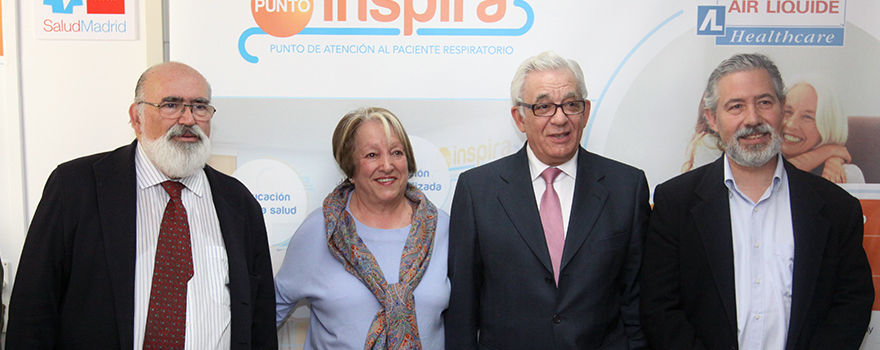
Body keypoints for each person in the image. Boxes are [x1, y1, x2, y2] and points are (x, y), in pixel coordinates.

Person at [5, 62, 277, 349]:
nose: (188, 119)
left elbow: (260, 319)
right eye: (171, 105)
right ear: (137, 118)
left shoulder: (238, 203)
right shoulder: (75, 188)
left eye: (199, 106)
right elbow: (33, 310)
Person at [641, 53, 873, 350]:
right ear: (712, 119)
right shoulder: (675, 203)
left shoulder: (838, 208)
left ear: (781, 109)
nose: (753, 119)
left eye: (764, 103)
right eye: (736, 106)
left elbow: (851, 306)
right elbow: (659, 310)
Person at [445, 51, 651, 349]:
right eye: (543, 106)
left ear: (586, 112)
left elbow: (636, 301)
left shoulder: (626, 187)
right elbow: (463, 308)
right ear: (520, 117)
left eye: (571, 104)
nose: (559, 119)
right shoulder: (477, 191)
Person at [274, 107, 450, 349]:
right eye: (371, 155)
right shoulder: (320, 230)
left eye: (396, 152)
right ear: (350, 168)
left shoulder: (441, 228)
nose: (387, 165)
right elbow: (266, 316)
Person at [781, 80, 865, 183]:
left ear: (827, 127)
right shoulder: (760, 156)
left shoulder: (845, 174)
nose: (791, 124)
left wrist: (831, 154)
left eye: (807, 117)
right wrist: (829, 151)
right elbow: (775, 177)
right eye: (787, 111)